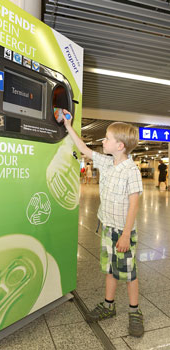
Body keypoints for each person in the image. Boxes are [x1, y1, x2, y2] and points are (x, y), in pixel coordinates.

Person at [62, 110, 144, 337]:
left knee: (128, 274)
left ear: (120, 146)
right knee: (110, 270)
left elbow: (134, 204)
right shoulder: (107, 163)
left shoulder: (131, 171)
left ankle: (135, 312)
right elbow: (84, 149)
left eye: (107, 138)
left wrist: (126, 234)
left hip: (123, 231)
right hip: (108, 228)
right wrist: (68, 126)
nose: (103, 141)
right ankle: (109, 305)